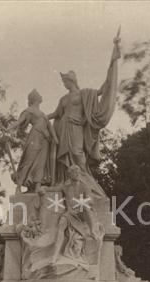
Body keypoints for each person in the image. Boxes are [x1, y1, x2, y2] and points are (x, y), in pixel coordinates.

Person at [47, 31, 121, 197]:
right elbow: (56, 114)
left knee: (78, 155)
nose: (64, 84)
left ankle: (86, 184)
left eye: (65, 81)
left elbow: (102, 90)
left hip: (76, 127)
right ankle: (67, 183)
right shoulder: (64, 98)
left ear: (71, 81)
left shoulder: (84, 94)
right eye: (63, 82)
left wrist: (111, 69)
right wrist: (43, 118)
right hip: (63, 129)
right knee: (65, 158)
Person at [6, 89, 58, 192]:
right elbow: (19, 122)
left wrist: (55, 139)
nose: (40, 96)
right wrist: (9, 128)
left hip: (45, 141)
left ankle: (38, 185)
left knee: (41, 163)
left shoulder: (43, 114)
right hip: (35, 137)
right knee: (28, 161)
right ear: (35, 98)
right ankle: (19, 186)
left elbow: (50, 128)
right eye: (38, 95)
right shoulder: (29, 110)